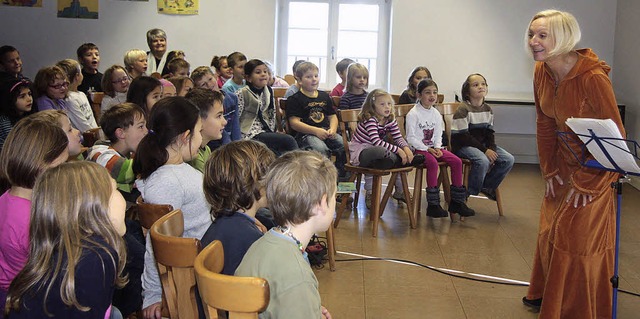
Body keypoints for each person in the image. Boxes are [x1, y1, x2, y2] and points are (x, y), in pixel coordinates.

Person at [523, 10, 625, 318]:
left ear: (563, 37)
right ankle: (547, 295)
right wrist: (548, 168)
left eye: (543, 35)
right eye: (531, 35)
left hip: (594, 172)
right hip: (561, 167)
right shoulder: (542, 71)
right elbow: (544, 121)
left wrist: (587, 182)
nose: (534, 42)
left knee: (574, 240)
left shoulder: (593, 77)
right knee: (548, 233)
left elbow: (615, 136)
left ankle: (575, 310)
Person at [5, 161, 127, 318]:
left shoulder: (72, 249)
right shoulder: (97, 258)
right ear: (91, 208)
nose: (121, 197)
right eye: (115, 190)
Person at [132, 97, 211, 319]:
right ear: (186, 136)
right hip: (194, 273)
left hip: (204, 259)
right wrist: (154, 294)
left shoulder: (179, 171)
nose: (201, 138)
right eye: (199, 132)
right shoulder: (167, 181)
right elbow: (156, 244)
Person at [235, 150, 334, 319]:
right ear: (322, 203)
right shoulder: (297, 276)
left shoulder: (264, 241)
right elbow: (291, 287)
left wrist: (308, 306)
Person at [0, 118, 68, 317]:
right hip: (25, 299)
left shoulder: (8, 198)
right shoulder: (31, 219)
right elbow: (52, 276)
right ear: (40, 165)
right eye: (61, 166)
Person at [405, 79, 475, 218]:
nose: (432, 95)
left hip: (434, 148)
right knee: (432, 163)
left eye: (435, 92)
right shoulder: (413, 114)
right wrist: (427, 148)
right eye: (427, 92)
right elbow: (411, 138)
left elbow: (438, 133)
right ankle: (433, 205)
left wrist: (437, 147)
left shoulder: (436, 113)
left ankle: (457, 202)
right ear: (419, 95)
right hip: (419, 149)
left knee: (456, 161)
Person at [350, 89, 424, 208]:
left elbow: (398, 137)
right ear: (373, 106)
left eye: (389, 104)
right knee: (383, 152)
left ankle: (400, 189)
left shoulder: (389, 119)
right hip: (362, 151)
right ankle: (370, 193)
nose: (387, 107)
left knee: (405, 149)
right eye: (382, 104)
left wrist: (406, 148)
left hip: (380, 153)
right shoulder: (370, 119)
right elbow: (376, 141)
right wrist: (399, 151)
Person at [450, 73, 514, 200]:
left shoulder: (488, 109)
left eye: (483, 84)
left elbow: (489, 133)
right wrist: (485, 151)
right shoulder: (463, 109)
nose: (481, 87)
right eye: (475, 85)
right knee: (482, 160)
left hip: (481, 145)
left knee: (508, 159)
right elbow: (463, 136)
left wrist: (492, 148)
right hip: (463, 146)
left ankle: (487, 186)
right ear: (467, 91)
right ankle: (470, 191)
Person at [237, 59, 298, 157]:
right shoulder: (242, 93)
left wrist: (275, 131)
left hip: (265, 131)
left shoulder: (268, 91)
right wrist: (237, 140)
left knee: (278, 153)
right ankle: (296, 167)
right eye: (258, 72)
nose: (263, 74)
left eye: (265, 71)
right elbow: (237, 116)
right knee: (289, 140)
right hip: (249, 133)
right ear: (248, 78)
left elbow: (271, 113)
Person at [88, 102, 147, 201]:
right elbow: (127, 172)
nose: (146, 131)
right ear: (121, 133)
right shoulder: (100, 154)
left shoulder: (129, 153)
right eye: (141, 127)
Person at [191, 66, 241, 145]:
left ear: (215, 76)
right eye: (203, 84)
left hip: (229, 139)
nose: (209, 85)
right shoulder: (206, 105)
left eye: (210, 79)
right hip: (213, 140)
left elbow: (236, 126)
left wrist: (238, 145)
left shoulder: (232, 98)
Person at [184, 88, 227, 172]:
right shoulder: (194, 158)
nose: (224, 122)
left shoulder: (206, 148)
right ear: (199, 120)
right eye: (219, 116)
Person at [56, 59, 98, 132]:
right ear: (77, 76)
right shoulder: (70, 99)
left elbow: (91, 120)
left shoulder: (81, 94)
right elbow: (82, 125)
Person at [0, 79, 33, 150]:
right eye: (22, 96)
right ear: (11, 100)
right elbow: (20, 146)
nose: (29, 99)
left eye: (29, 94)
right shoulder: (5, 122)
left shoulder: (26, 116)